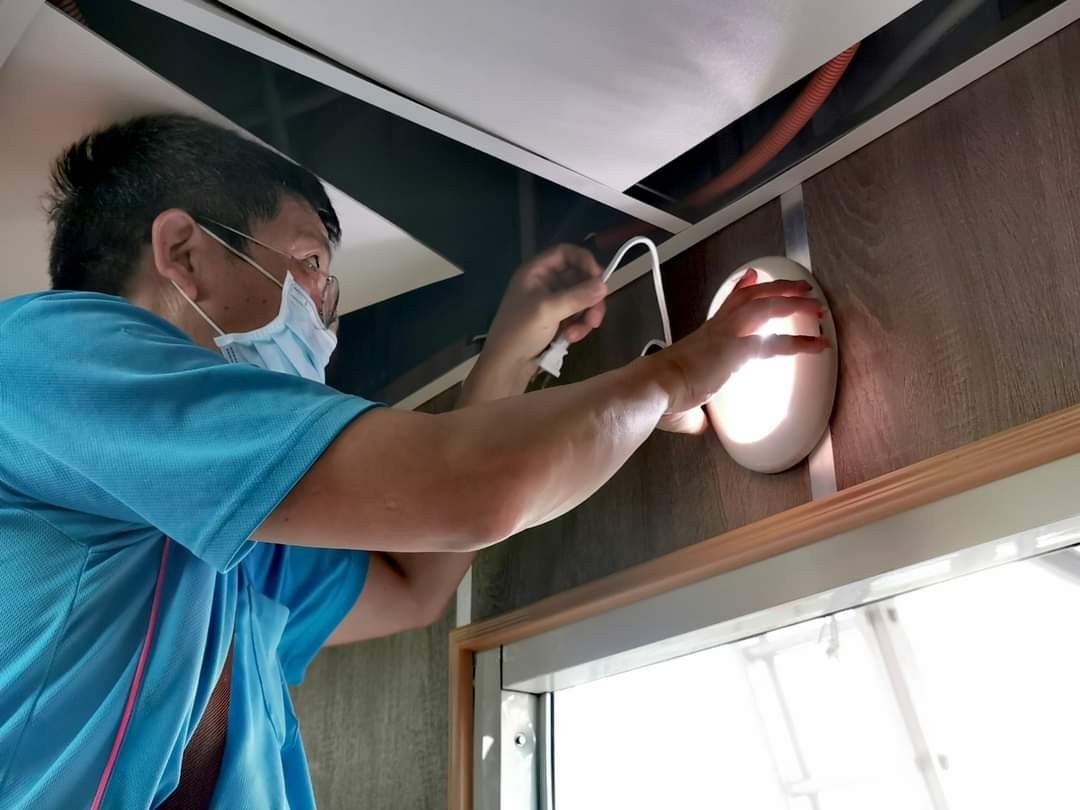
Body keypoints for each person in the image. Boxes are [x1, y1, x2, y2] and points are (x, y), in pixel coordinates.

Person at [0, 114, 824, 808]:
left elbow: (413, 582)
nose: (324, 321)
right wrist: (678, 375)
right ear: (183, 253)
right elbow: (466, 492)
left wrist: (509, 352)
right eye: (310, 266)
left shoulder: (229, 549)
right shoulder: (39, 359)